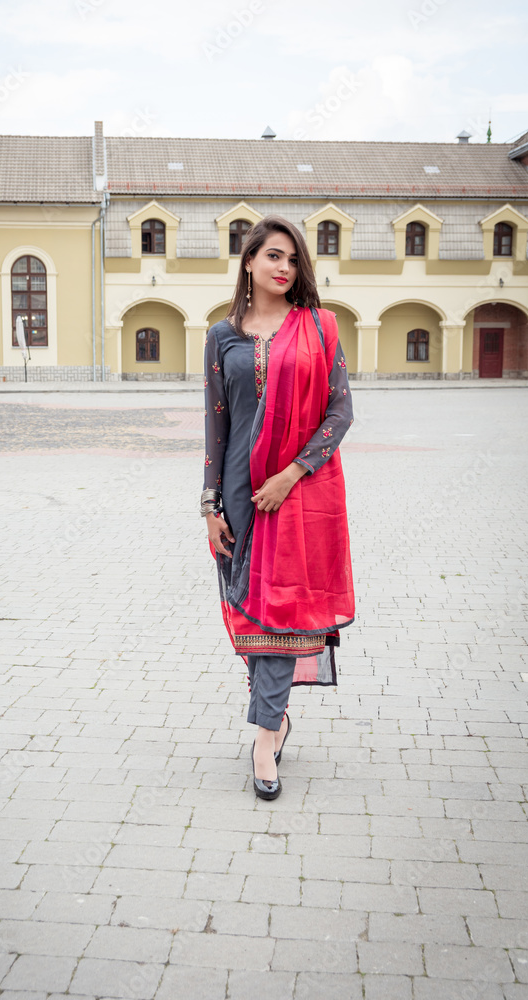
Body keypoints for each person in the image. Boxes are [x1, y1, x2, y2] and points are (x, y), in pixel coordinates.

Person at [201, 215, 355, 801]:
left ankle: (266, 736)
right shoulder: (222, 336)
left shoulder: (319, 327)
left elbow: (339, 414)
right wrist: (211, 505)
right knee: (251, 614)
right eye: (272, 256)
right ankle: (277, 714)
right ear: (249, 263)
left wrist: (291, 474)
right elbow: (216, 424)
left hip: (297, 494)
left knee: (281, 615)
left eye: (292, 258)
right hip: (240, 496)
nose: (284, 267)